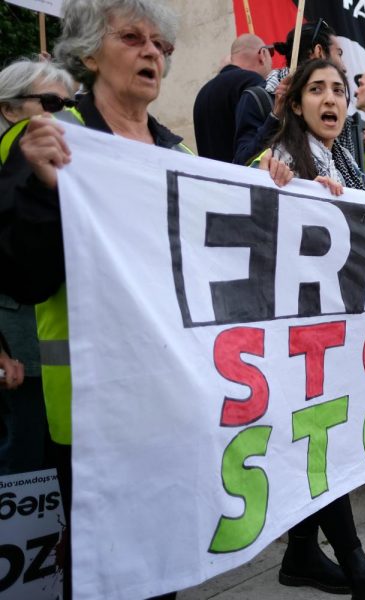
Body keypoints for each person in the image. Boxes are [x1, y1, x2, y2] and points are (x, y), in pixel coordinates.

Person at [0, 2, 191, 597]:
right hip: (93, 403)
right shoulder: (50, 141)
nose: (151, 53)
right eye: (132, 38)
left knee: (165, 554)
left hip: (172, 393)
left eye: (161, 45)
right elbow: (21, 276)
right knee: (104, 565)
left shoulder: (177, 155)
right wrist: (40, 192)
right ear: (87, 54)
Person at [257, 59, 365, 600]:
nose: (331, 99)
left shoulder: (343, 157)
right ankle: (355, 563)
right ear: (296, 103)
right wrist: (274, 182)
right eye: (317, 89)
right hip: (300, 330)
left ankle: (301, 555)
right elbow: (254, 214)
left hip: (340, 324)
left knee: (324, 436)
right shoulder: (280, 155)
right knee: (318, 440)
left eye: (340, 91)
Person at [0, 58, 75, 476]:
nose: (64, 113)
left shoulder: (71, 153)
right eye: (50, 102)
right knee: (24, 456)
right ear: (10, 109)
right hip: (20, 351)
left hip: (56, 356)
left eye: (70, 103)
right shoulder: (14, 157)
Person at [232, 20, 346, 166]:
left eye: (338, 91)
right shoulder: (260, 98)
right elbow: (242, 163)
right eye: (339, 54)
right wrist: (275, 118)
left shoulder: (341, 122)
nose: (344, 67)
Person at [192, 34, 272, 162]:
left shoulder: (203, 92)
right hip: (244, 177)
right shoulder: (253, 83)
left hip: (211, 178)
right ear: (262, 54)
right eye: (270, 53)